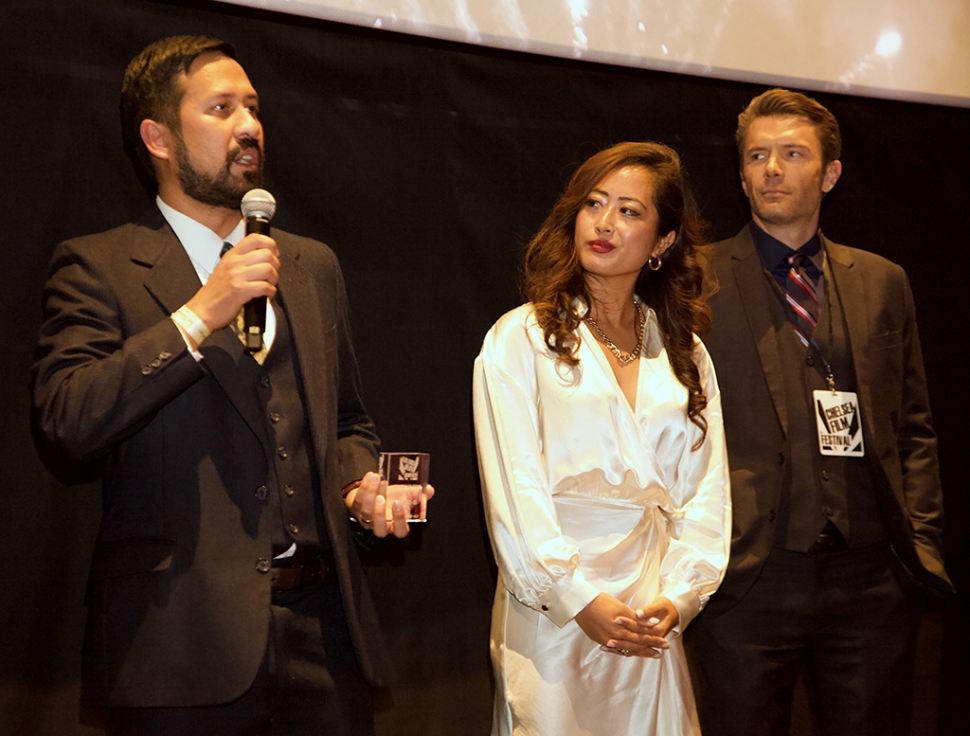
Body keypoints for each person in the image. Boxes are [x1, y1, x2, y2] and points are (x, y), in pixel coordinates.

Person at [30, 35, 431, 735]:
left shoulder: (310, 265)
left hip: (324, 640)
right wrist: (198, 315)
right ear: (157, 136)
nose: (248, 125)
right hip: (175, 646)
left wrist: (361, 487)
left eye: (252, 107)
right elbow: (68, 420)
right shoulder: (99, 267)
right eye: (221, 108)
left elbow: (344, 425)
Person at [685, 88, 953, 736]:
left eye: (792, 153)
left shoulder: (882, 281)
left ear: (830, 173)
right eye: (757, 155)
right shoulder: (696, 279)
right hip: (747, 580)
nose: (772, 168)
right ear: (741, 174)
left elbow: (913, 426)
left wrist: (920, 543)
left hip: (870, 581)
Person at [473, 141, 731, 735]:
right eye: (595, 204)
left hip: (648, 609)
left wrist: (679, 597)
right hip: (553, 607)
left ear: (663, 241)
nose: (605, 223)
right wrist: (577, 598)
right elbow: (515, 489)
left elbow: (706, 493)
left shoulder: (686, 352)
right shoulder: (521, 337)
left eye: (630, 211)